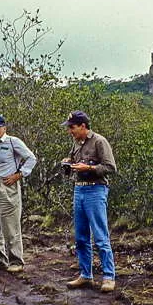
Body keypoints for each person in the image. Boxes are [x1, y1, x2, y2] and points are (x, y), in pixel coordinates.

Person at [60, 110, 118, 292]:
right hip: (79, 190)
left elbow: (110, 167)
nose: (70, 131)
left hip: (96, 190)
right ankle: (86, 275)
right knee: (81, 237)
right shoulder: (76, 144)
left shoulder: (99, 141)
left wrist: (90, 168)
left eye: (72, 127)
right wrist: (68, 164)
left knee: (100, 236)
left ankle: (109, 277)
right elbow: (73, 166)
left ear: (83, 126)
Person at [0, 114, 37, 272]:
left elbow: (31, 158)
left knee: (10, 224)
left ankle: (16, 262)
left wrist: (19, 175)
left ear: (4, 128)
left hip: (5, 186)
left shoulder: (13, 141)